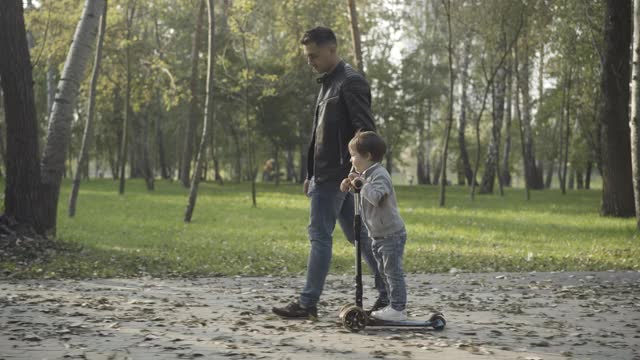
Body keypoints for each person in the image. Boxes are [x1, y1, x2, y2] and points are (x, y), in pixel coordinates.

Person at [272, 26, 387, 319]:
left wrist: (356, 170)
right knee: (357, 235)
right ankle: (388, 293)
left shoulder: (350, 82)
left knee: (320, 236)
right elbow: (319, 135)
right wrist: (310, 173)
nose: (310, 61)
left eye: (314, 55)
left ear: (332, 50)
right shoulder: (327, 83)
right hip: (325, 175)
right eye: (308, 56)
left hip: (338, 175)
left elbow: (365, 129)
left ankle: (308, 303)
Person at [340, 131, 408, 321]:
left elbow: (376, 197)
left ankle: (398, 309)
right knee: (384, 273)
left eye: (353, 155)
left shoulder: (380, 175)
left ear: (368, 156)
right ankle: (390, 304)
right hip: (377, 235)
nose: (351, 159)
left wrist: (362, 184)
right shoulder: (365, 174)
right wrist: (350, 183)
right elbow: (361, 189)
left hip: (391, 234)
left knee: (392, 272)